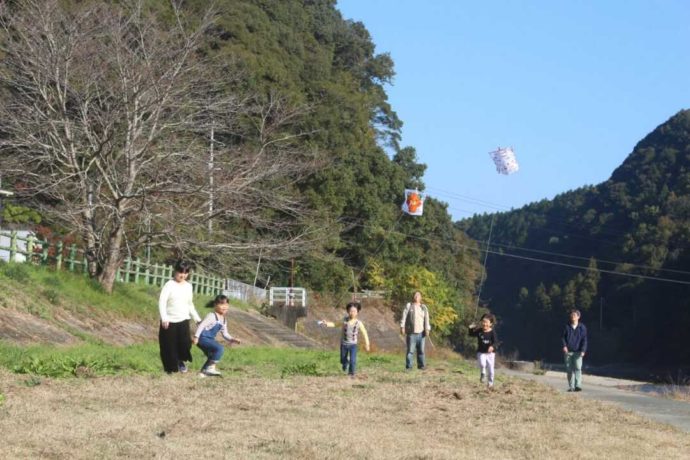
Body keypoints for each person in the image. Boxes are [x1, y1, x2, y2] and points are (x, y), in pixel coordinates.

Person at [158, 260, 201, 374]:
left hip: (184, 319)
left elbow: (189, 304)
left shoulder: (188, 286)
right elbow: (162, 302)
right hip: (170, 321)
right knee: (169, 346)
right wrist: (164, 317)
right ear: (175, 271)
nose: (183, 275)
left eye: (186, 272)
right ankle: (170, 369)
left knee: (185, 344)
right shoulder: (169, 285)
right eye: (180, 272)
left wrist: (197, 319)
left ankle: (180, 360)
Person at [192, 294, 241, 377]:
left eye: (226, 304)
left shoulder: (224, 320)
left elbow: (225, 334)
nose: (224, 307)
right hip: (202, 338)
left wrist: (232, 339)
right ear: (215, 305)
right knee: (219, 348)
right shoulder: (212, 316)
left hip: (209, 339)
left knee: (212, 355)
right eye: (222, 304)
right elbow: (201, 325)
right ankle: (210, 368)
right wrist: (196, 337)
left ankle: (202, 374)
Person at [319, 301, 370, 377]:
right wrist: (326, 323)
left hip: (353, 345)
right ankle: (345, 363)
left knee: (353, 361)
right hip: (344, 344)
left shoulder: (359, 323)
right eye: (350, 311)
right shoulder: (344, 320)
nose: (352, 313)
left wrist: (367, 344)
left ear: (357, 312)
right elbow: (335, 324)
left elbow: (364, 333)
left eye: (354, 311)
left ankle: (351, 373)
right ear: (347, 311)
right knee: (343, 360)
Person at [399, 291, 431, 370]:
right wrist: (402, 327)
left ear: (421, 297)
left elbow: (427, 319)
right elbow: (404, 316)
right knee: (410, 351)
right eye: (415, 295)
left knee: (421, 351)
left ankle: (421, 366)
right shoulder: (409, 306)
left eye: (418, 295)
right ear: (413, 297)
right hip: (411, 333)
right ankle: (409, 367)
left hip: (421, 333)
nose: (417, 296)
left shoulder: (423, 307)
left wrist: (427, 329)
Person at [468, 313, 498, 388]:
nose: (484, 324)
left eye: (486, 322)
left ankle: (490, 383)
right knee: (482, 364)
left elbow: (496, 342)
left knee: (491, 370)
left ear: (490, 324)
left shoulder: (492, 332)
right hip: (481, 352)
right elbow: (471, 334)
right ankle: (483, 373)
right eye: (483, 322)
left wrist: (492, 347)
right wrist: (471, 328)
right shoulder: (479, 331)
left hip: (490, 354)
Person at [562, 309, 588, 392]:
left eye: (574, 315)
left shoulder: (582, 327)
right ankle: (571, 386)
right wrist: (564, 346)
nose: (572, 316)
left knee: (578, 368)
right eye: (571, 315)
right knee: (569, 369)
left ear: (578, 317)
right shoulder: (567, 326)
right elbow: (562, 337)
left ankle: (578, 385)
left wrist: (583, 350)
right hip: (568, 351)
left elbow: (584, 340)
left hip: (578, 351)